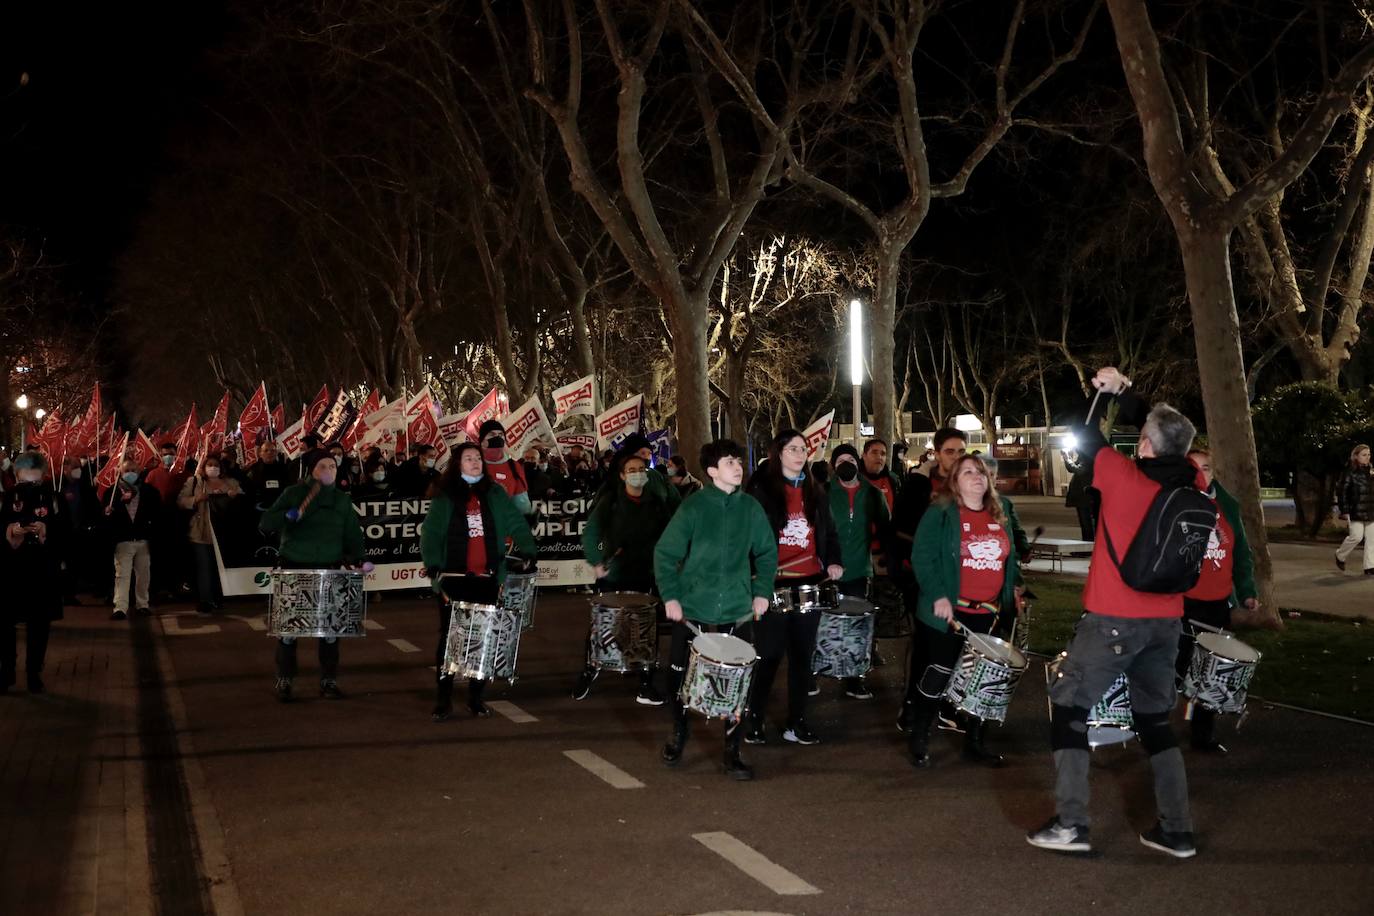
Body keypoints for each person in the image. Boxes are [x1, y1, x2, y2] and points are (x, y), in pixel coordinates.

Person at [1027, 366, 1201, 859]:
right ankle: (1177, 830)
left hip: (1113, 619)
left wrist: (1103, 395)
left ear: (1144, 445)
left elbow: (1083, 432)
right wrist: (1127, 394)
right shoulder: (1193, 483)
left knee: (1069, 710)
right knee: (1155, 721)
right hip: (1167, 620)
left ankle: (1071, 823)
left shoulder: (1124, 478)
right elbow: (1165, 432)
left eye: (1142, 439)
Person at [655, 439, 777, 780]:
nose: (738, 466)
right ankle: (679, 733)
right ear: (711, 471)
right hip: (694, 609)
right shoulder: (694, 507)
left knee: (739, 684)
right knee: (679, 679)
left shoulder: (751, 508)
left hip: (737, 611)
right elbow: (665, 553)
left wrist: (761, 592)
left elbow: (767, 553)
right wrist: (672, 597)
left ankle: (732, 751)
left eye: (739, 461)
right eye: (729, 461)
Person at [906, 455, 1023, 768]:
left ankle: (975, 743)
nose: (977, 477)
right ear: (954, 481)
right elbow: (922, 556)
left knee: (981, 680)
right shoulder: (942, 512)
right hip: (949, 613)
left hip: (988, 613)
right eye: (968, 472)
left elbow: (1008, 559)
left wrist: (1014, 586)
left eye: (981, 472)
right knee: (938, 675)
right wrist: (937, 595)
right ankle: (919, 736)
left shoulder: (1001, 513)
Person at [420, 442, 537, 720]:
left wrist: (528, 549)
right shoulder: (445, 496)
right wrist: (433, 566)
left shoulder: (494, 493)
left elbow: (516, 523)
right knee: (451, 637)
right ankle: (443, 698)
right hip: (454, 578)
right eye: (468, 458)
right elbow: (431, 535)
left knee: (484, 637)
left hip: (487, 577)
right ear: (457, 464)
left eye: (478, 458)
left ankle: (475, 697)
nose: (475, 462)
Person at [743, 429, 843, 747]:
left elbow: (829, 533)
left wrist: (833, 561)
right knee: (769, 655)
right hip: (773, 582)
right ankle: (753, 720)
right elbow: (749, 540)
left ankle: (796, 723)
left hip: (809, 582)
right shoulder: (760, 490)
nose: (800, 454)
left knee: (802, 657)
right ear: (778, 453)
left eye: (804, 449)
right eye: (793, 449)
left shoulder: (817, 491)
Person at [260, 451, 366, 702]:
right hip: (294, 567)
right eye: (322, 466)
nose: (329, 470)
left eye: (332, 465)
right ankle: (284, 680)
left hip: (329, 568)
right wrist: (285, 517)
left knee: (331, 631)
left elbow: (352, 532)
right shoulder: (294, 494)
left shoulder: (341, 500)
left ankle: (328, 681)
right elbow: (266, 522)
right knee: (289, 631)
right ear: (311, 471)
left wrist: (357, 557)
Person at [574, 450, 676, 705]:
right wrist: (598, 562)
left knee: (645, 629)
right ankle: (589, 671)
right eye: (632, 471)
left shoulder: (656, 503)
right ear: (621, 475)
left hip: (646, 573)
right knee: (604, 625)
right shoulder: (610, 502)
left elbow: (671, 534)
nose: (638, 475)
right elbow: (591, 535)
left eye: (641, 470)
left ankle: (645, 682)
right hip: (614, 575)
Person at [1178, 448, 1258, 754]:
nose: (1202, 474)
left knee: (1212, 671)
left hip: (1217, 604)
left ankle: (1202, 733)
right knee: (1178, 666)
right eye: (1194, 468)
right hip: (1182, 602)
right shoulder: (1176, 503)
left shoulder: (1227, 506)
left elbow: (1240, 554)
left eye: (1207, 468)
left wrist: (1247, 591)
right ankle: (1156, 727)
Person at [825, 444, 890, 700]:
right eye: (840, 459)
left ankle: (854, 679)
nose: (846, 463)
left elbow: (885, 527)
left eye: (850, 458)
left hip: (859, 570)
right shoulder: (822, 493)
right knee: (823, 624)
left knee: (857, 628)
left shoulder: (873, 494)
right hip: (826, 571)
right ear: (833, 465)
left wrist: (887, 558)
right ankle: (814, 673)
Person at [1, 453, 67, 694]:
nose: (29, 487)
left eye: (35, 482)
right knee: (5, 624)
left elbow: (66, 531)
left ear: (43, 476)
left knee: (38, 625)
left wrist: (45, 529)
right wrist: (11, 530)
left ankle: (33, 672)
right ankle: (6, 671)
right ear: (16, 476)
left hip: (42, 571)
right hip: (11, 571)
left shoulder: (53, 497)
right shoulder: (7, 498)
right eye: (24, 481)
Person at [178, 454, 245, 614]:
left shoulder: (231, 483)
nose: (213, 468)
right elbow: (181, 501)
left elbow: (243, 500)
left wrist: (235, 496)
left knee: (219, 566)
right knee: (204, 566)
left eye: (216, 465)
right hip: (201, 531)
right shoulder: (195, 482)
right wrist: (196, 499)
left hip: (224, 532)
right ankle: (205, 599)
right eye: (210, 465)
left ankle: (219, 597)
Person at [104, 459, 160, 621]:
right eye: (127, 470)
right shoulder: (112, 492)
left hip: (143, 540)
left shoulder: (149, 491)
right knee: (122, 575)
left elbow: (157, 514)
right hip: (123, 540)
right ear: (120, 472)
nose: (130, 473)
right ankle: (120, 607)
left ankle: (142, 605)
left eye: (134, 470)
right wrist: (109, 510)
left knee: (144, 574)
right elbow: (105, 516)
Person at [59, 457, 100, 603]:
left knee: (74, 564)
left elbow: (92, 507)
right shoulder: (57, 485)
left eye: (79, 466)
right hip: (62, 531)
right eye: (74, 466)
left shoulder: (84, 486)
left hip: (80, 531)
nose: (78, 469)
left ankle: (71, 594)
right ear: (66, 468)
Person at [477, 420, 532, 514]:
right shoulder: (468, 465)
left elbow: (522, 507)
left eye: (500, 434)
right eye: (492, 434)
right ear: (482, 441)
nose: (497, 438)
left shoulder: (514, 467)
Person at [1334, 443, 1374, 574]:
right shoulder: (1349, 472)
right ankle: (1340, 555)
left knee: (1372, 538)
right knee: (1356, 537)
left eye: (1368, 454)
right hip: (1355, 510)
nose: (1367, 457)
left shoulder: (1371, 471)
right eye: (1364, 455)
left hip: (1371, 509)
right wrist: (1344, 510)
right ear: (1356, 456)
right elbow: (1342, 492)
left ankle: (1369, 566)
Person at [246, 440, 295, 513]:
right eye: (266, 450)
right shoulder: (254, 470)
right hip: (260, 508)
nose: (269, 453)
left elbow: (289, 487)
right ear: (260, 453)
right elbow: (248, 489)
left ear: (276, 453)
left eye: (272, 450)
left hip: (279, 508)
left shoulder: (283, 468)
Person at [1063, 450, 1098, 541]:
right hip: (1084, 495)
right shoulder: (1085, 456)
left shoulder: (1089, 457)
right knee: (1085, 523)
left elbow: (1078, 470)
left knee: (1086, 523)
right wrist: (1068, 458)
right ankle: (1087, 546)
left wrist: (1068, 459)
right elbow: (1071, 469)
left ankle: (1088, 546)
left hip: (1085, 496)